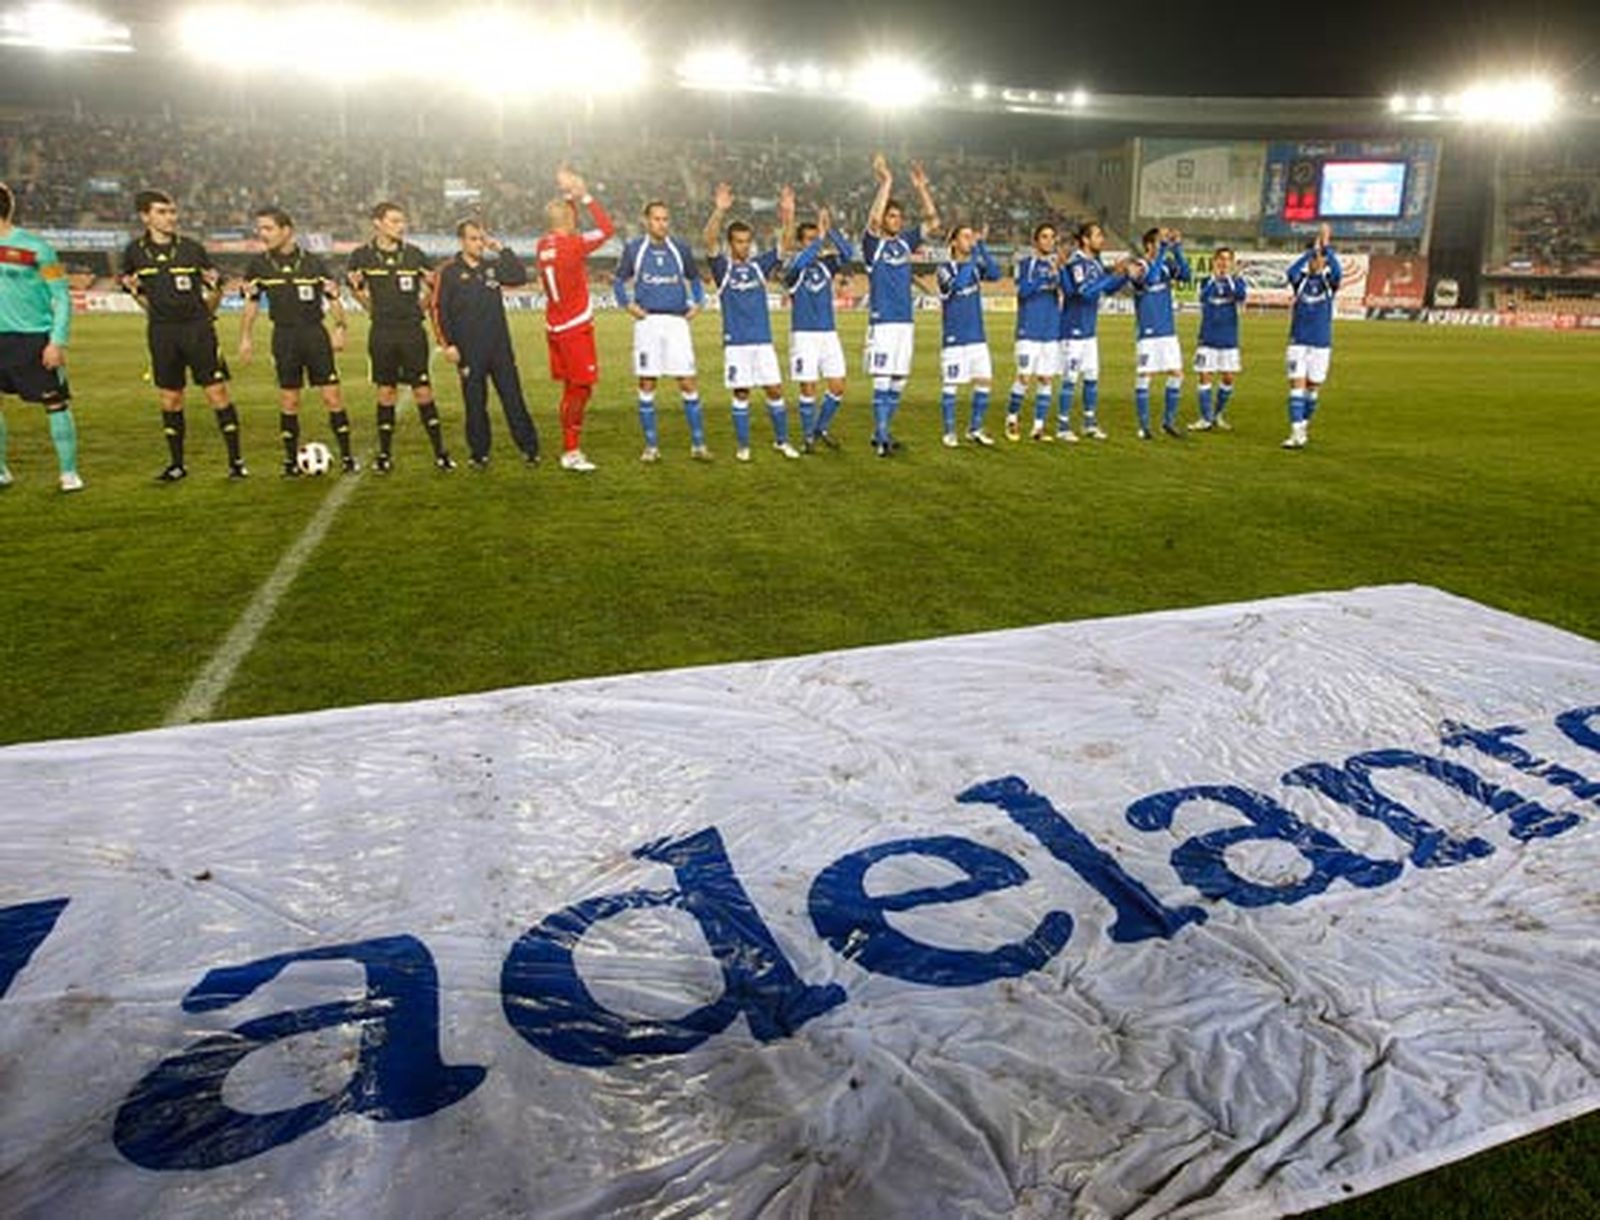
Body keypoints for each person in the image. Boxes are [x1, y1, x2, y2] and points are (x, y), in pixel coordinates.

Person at [121, 190, 246, 481]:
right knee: (170, 398)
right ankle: (177, 465)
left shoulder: (192, 248)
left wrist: (209, 311)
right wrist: (150, 308)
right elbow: (136, 292)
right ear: (145, 216)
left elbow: (214, 289)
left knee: (217, 393)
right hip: (162, 333)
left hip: (198, 330)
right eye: (162, 212)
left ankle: (236, 462)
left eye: (172, 211)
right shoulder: (134, 252)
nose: (170, 217)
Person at [239, 207, 355, 477]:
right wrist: (246, 337)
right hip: (284, 336)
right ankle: (290, 462)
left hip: (315, 334)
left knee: (332, 396)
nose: (262, 233)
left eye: (268, 228)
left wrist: (340, 327)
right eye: (260, 228)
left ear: (286, 230)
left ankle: (348, 457)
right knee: (289, 400)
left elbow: (333, 297)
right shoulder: (258, 265)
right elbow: (252, 304)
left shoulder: (314, 263)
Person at [346, 201, 454, 472]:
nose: (400, 226)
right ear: (378, 223)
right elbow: (357, 292)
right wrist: (370, 305)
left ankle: (441, 453)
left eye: (402, 221)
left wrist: (421, 305)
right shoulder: (361, 256)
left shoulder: (415, 255)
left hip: (412, 332)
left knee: (423, 390)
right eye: (394, 221)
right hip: (382, 332)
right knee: (386, 391)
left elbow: (432, 291)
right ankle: (384, 455)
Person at [430, 219, 541, 470]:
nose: (479, 244)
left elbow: (519, 277)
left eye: (481, 238)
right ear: (462, 241)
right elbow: (438, 309)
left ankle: (529, 449)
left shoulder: (492, 267)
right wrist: (447, 344)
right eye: (473, 239)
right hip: (469, 351)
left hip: (499, 348)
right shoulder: (448, 272)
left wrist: (501, 249)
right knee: (475, 404)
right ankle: (479, 453)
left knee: (513, 399)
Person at [704, 182, 796, 462]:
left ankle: (781, 441)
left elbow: (786, 245)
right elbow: (709, 241)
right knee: (741, 393)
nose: (745, 246)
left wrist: (789, 214)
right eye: (739, 241)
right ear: (731, 243)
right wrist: (719, 211)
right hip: (736, 342)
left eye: (747, 241)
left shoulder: (759, 266)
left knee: (775, 389)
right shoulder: (723, 269)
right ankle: (743, 446)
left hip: (762, 340)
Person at [0, 182, 81, 492]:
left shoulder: (37, 248)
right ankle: (1, 471)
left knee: (55, 403)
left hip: (33, 338)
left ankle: (68, 473)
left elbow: (60, 295)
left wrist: (57, 340)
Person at [534, 167, 614, 473]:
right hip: (574, 327)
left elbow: (567, 221)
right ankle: (571, 450)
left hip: (554, 325)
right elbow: (607, 229)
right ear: (568, 221)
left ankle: (570, 447)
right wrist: (586, 196)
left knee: (570, 388)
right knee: (580, 389)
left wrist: (570, 196)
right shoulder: (574, 245)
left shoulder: (544, 245)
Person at [615, 201, 706, 463]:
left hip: (677, 322)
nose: (662, 224)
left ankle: (698, 444)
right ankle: (651, 446)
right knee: (647, 382)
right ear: (646, 221)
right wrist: (627, 305)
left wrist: (698, 302)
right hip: (648, 323)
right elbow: (619, 280)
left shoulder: (680, 248)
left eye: (665, 219)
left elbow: (695, 278)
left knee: (687, 381)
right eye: (656, 219)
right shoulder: (634, 249)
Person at [862, 154, 940, 457]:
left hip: (905, 321)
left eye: (898, 217)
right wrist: (887, 182)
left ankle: (880, 431)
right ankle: (882, 438)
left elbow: (934, 222)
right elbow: (871, 220)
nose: (894, 220)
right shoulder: (873, 245)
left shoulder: (905, 243)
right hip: (883, 322)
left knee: (899, 381)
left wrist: (922, 188)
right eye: (890, 216)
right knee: (882, 379)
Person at [779, 193, 854, 452]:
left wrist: (829, 230)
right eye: (809, 239)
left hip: (828, 333)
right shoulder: (794, 264)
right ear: (801, 243)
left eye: (815, 238)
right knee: (808, 386)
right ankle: (808, 437)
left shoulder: (826, 265)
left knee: (838, 385)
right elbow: (799, 263)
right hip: (804, 335)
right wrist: (819, 240)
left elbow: (849, 252)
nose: (815, 243)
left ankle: (820, 428)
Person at [935, 223, 1003, 447]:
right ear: (954, 242)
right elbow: (957, 286)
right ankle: (949, 431)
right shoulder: (944, 268)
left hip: (977, 337)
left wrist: (981, 246)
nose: (969, 240)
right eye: (965, 237)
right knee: (951, 384)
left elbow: (995, 273)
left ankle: (974, 429)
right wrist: (972, 258)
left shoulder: (974, 266)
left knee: (984, 381)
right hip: (955, 338)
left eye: (971, 237)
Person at [1057, 222, 1126, 442]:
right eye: (1098, 235)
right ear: (1085, 240)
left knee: (1091, 377)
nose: (1102, 239)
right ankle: (1063, 426)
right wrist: (1111, 274)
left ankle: (1088, 423)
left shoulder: (1094, 263)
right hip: (1073, 330)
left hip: (1089, 331)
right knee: (1070, 378)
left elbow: (1107, 289)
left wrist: (1123, 275)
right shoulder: (1077, 263)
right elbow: (1085, 292)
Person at [1128, 226, 1192, 440]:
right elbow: (1151, 279)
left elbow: (1186, 275)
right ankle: (1144, 426)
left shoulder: (1166, 264)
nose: (1162, 243)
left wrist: (1178, 249)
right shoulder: (1139, 266)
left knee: (1177, 374)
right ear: (1149, 245)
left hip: (1168, 331)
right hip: (1148, 332)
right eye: (1159, 241)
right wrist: (1164, 250)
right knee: (1145, 376)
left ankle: (1168, 422)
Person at [1283, 223, 1341, 450]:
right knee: (1296, 386)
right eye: (1313, 259)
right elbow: (1290, 273)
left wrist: (1326, 248)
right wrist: (1310, 251)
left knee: (1312, 388)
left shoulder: (1329, 283)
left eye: (1319, 259)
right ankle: (1296, 432)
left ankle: (1303, 425)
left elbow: (1338, 272)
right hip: (1298, 341)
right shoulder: (1301, 281)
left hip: (1321, 343)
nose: (1316, 261)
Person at [1005, 223, 1063, 442]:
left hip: (1050, 331)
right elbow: (1023, 292)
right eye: (1045, 237)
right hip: (1028, 330)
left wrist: (1060, 273)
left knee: (1046, 379)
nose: (1049, 241)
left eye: (1052, 237)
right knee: (1023, 377)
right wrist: (1046, 277)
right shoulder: (1026, 264)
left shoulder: (1058, 266)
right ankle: (1012, 418)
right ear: (1036, 241)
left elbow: (1067, 290)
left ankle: (1038, 428)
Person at [1188, 247, 1247, 432]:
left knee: (1228, 378)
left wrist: (1230, 278)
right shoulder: (1206, 281)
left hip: (1228, 339)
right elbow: (1203, 297)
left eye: (1228, 259)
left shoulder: (1237, 282)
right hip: (1207, 338)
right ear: (1214, 261)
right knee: (1204, 376)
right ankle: (1205, 418)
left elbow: (1240, 296)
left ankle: (1217, 414)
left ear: (1231, 263)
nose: (1223, 262)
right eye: (1220, 259)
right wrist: (1215, 277)